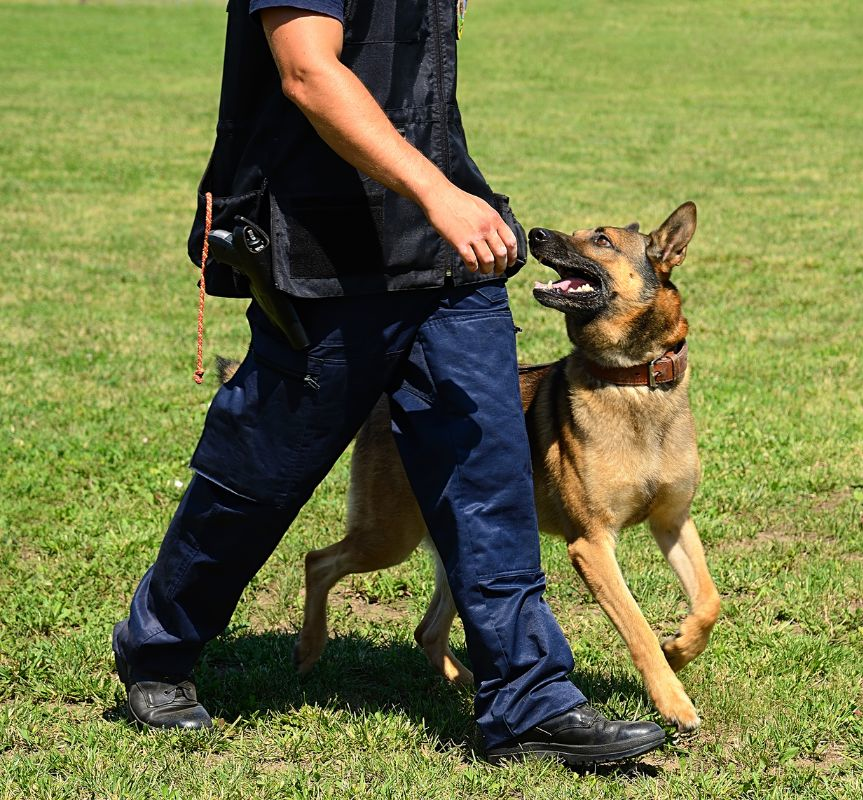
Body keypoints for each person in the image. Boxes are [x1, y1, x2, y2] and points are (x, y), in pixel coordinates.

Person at [111, 0, 666, 766]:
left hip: (448, 262)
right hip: (324, 255)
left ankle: (528, 701)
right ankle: (159, 648)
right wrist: (438, 195)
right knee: (258, 476)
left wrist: (448, 200)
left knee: (489, 474)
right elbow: (309, 70)